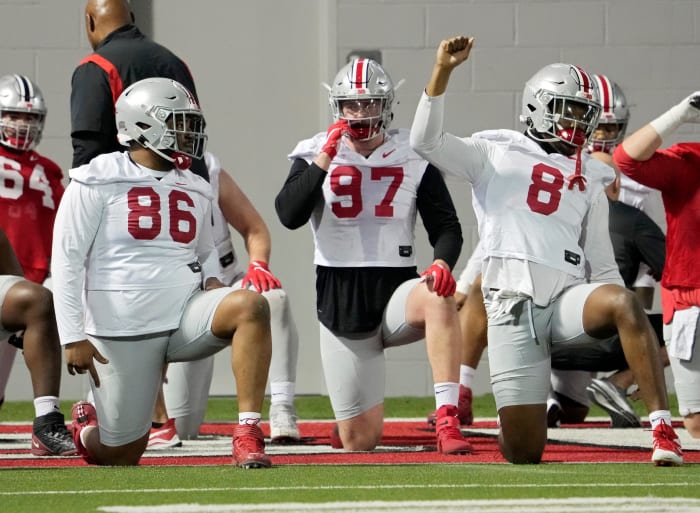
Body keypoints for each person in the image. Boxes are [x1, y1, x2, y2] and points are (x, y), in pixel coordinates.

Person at [410, 35, 682, 465]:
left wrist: (623, 319)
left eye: (584, 114)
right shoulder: (495, 150)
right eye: (569, 110)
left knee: (622, 301)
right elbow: (425, 141)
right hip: (512, 308)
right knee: (523, 451)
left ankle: (663, 430)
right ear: (537, 107)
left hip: (565, 301)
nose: (578, 123)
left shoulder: (589, 174)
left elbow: (602, 260)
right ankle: (513, 415)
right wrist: (442, 71)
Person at [52, 77, 272, 468]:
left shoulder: (197, 184)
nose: (188, 132)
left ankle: (249, 432)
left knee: (250, 306)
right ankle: (87, 428)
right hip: (123, 327)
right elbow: (67, 260)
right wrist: (73, 335)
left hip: (184, 313)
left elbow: (205, 253)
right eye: (178, 122)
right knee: (120, 455)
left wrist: (213, 286)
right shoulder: (97, 178)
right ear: (143, 125)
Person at [275, 58, 472, 455]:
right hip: (340, 294)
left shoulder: (413, 153)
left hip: (398, 286)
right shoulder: (314, 151)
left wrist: (442, 263)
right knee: (360, 443)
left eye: (370, 104)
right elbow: (288, 215)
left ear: (387, 106)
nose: (361, 113)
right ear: (338, 107)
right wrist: (324, 160)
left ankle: (448, 418)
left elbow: (447, 226)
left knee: (439, 296)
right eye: (352, 104)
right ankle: (349, 422)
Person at [148, 150, 301, 447]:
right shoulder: (128, 176)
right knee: (186, 427)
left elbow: (254, 227)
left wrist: (258, 263)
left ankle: (282, 407)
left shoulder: (207, 166)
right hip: (182, 305)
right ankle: (109, 403)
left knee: (272, 296)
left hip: (226, 286)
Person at [613, 89, 700, 439]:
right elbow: (626, 159)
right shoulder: (689, 162)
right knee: (695, 422)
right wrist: (680, 113)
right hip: (691, 296)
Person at [70, 0, 207, 178]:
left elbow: (89, 148)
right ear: (132, 19)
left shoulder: (96, 66)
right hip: (185, 194)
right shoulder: (176, 63)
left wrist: (78, 197)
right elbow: (191, 138)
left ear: (90, 22)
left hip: (127, 197)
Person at [0, 74, 65, 417]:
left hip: (33, 284)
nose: (22, 123)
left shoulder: (49, 171)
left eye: (30, 117)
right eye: (14, 114)